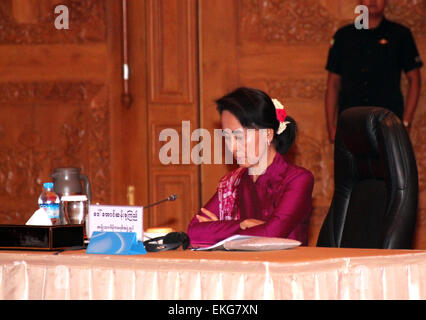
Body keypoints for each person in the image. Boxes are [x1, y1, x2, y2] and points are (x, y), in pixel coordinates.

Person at [187, 87, 314, 247]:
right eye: (227, 137)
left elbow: (270, 235)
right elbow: (193, 231)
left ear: (267, 134)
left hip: (284, 269)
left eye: (239, 137)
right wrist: (242, 224)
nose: (232, 147)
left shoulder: (297, 180)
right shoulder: (233, 181)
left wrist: (219, 229)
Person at [325, 0, 423, 143]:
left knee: (387, 165)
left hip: (387, 123)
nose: (372, 1)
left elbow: (415, 79)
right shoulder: (343, 36)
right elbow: (333, 84)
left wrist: (406, 122)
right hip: (350, 122)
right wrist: (331, 126)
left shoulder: (400, 35)